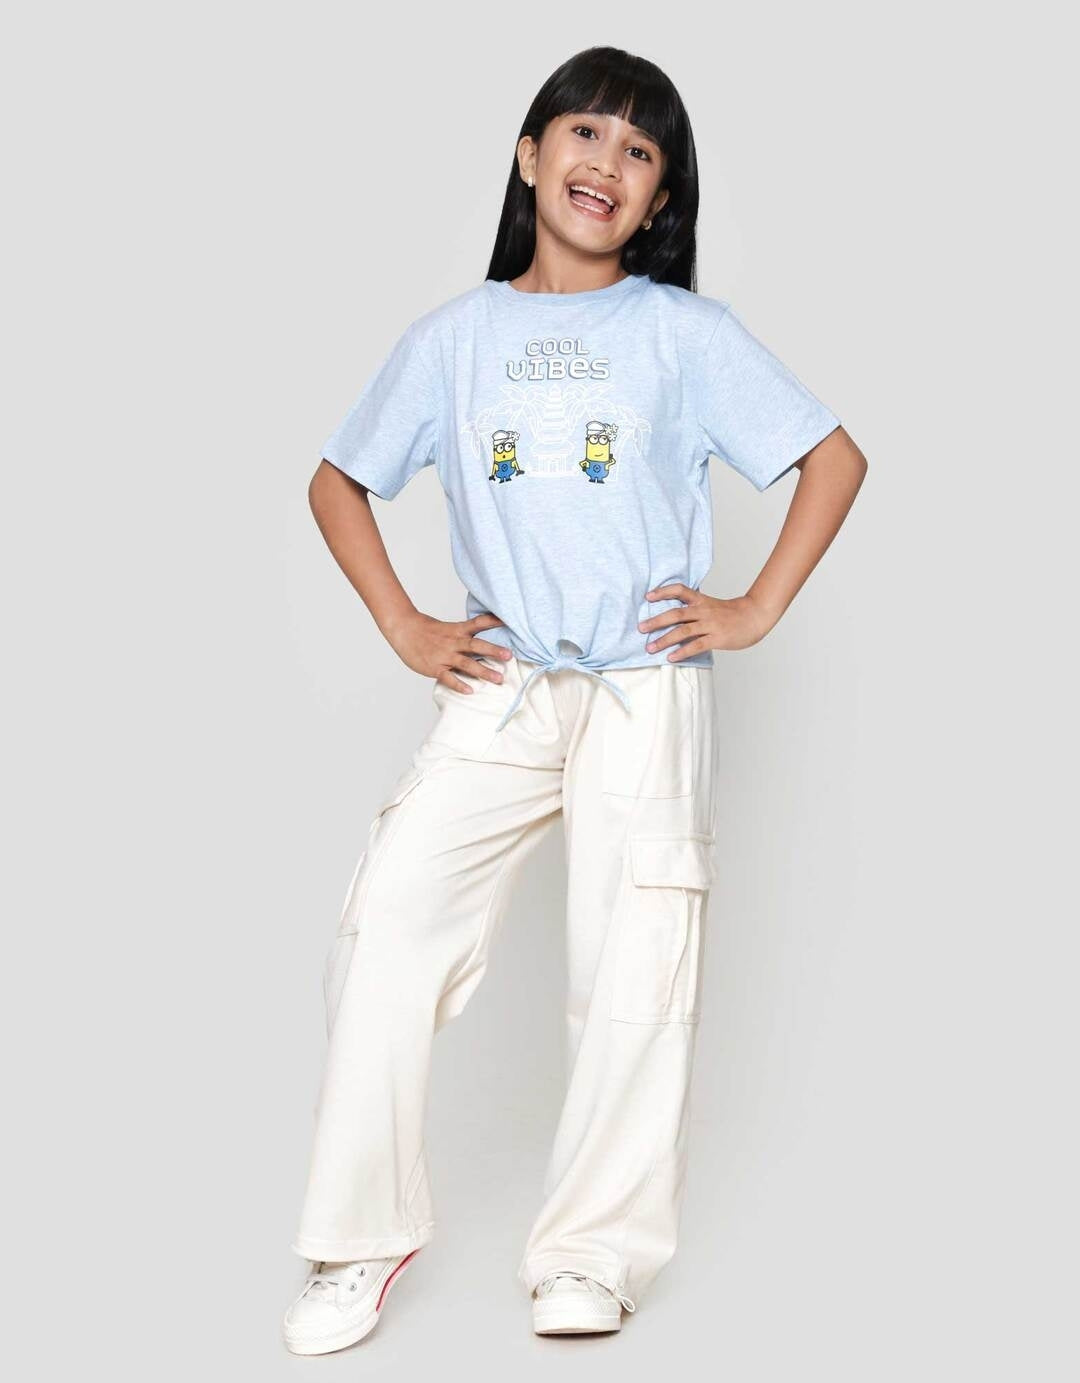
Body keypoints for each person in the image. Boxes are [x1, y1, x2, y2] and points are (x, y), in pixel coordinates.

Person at [282, 43, 868, 1355]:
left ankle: (592, 1254)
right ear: (530, 154)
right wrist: (406, 624)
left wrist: (754, 608)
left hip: (643, 683)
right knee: (387, 923)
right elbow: (338, 480)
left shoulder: (681, 335)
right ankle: (359, 1240)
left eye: (640, 150)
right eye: (587, 132)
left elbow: (832, 458)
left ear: (658, 199)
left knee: (633, 965)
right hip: (505, 684)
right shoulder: (453, 339)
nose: (608, 163)